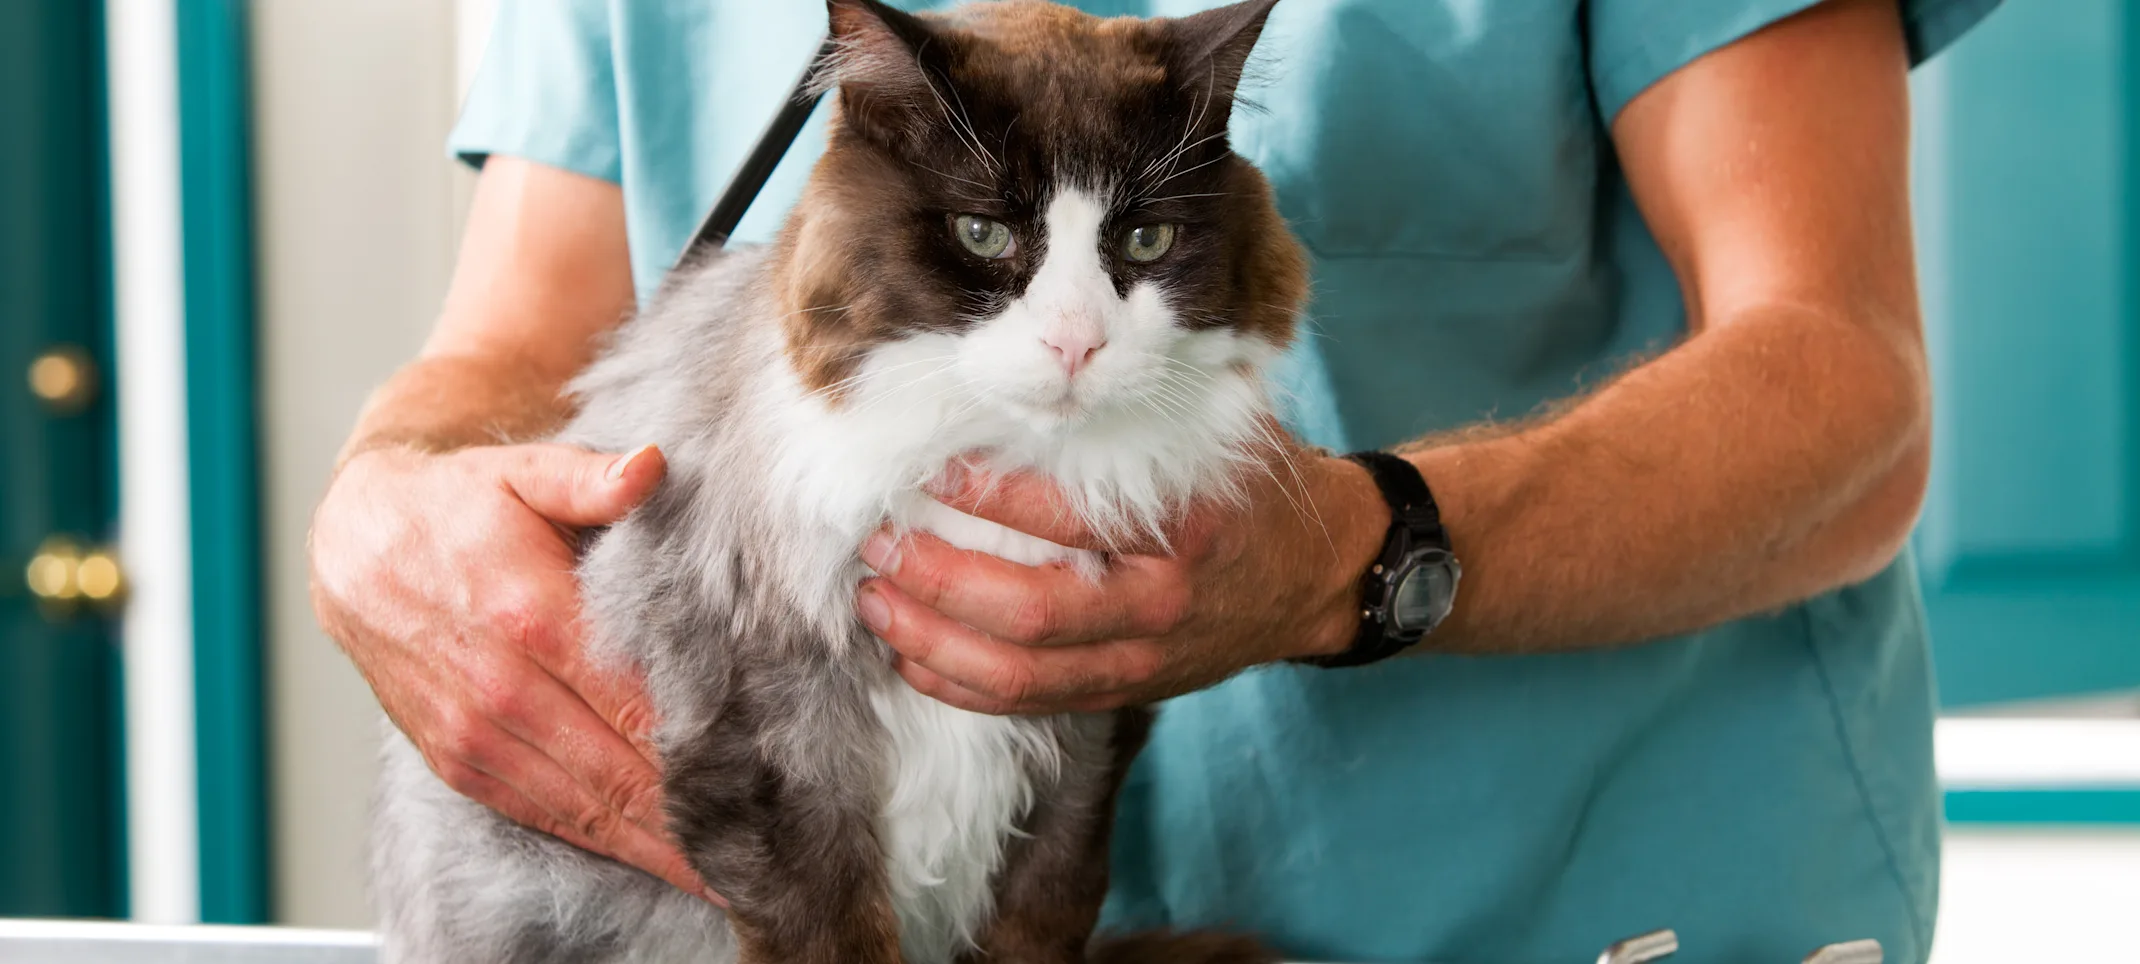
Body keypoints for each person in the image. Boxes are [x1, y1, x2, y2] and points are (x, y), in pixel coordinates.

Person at [309, 0, 2001, 959]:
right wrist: (383, 497)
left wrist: (1358, 551)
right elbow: (518, 344)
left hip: (1578, 911)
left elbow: (1847, 385)